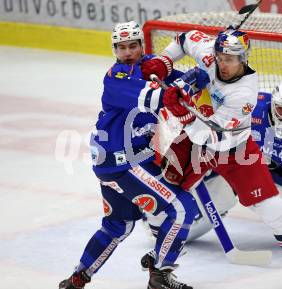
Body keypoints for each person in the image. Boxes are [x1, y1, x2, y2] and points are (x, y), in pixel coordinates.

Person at [149, 28, 282, 287]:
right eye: (220, 57)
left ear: (243, 59)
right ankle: (159, 257)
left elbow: (210, 134)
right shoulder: (210, 54)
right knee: (163, 195)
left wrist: (183, 111)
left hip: (235, 150)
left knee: (273, 210)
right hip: (197, 143)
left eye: (230, 60)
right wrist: (165, 60)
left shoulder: (244, 94)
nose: (223, 64)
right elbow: (185, 38)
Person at [59, 21, 198, 289]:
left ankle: (77, 279)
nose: (127, 52)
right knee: (182, 209)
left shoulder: (151, 68)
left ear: (141, 46)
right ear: (115, 51)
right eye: (121, 48)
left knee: (118, 224)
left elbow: (182, 82)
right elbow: (156, 98)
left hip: (123, 158)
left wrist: (195, 77)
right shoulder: (116, 77)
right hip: (121, 159)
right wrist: (177, 86)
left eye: (132, 46)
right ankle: (160, 275)